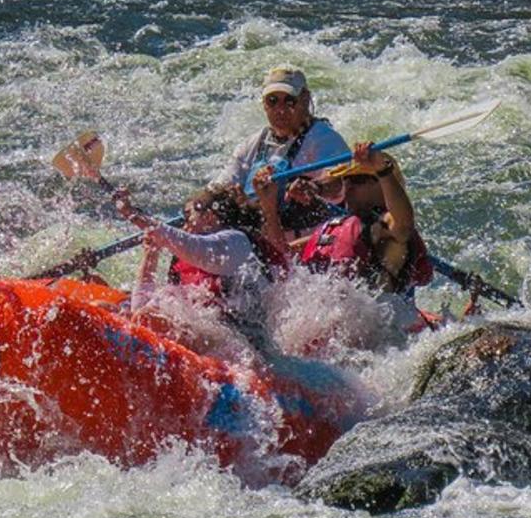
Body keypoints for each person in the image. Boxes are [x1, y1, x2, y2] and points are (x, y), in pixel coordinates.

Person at [254, 142, 434, 328]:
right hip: (331, 330)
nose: (348, 187)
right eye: (345, 181)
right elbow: (282, 255)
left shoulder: (388, 228)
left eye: (358, 181)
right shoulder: (339, 228)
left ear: (383, 186)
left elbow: (403, 224)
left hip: (380, 332)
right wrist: (268, 207)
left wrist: (383, 170)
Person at [111, 183, 286, 343]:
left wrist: (132, 213)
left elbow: (191, 245)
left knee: (148, 319)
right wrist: (151, 255)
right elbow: (140, 308)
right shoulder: (185, 260)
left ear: (209, 218)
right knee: (116, 310)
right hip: (204, 337)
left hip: (243, 344)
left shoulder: (237, 243)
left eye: (188, 216)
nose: (184, 226)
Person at [214, 66, 350, 234]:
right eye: (272, 101)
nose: (280, 109)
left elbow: (339, 182)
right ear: (264, 104)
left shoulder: (325, 139)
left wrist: (315, 188)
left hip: (301, 243)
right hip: (259, 236)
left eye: (289, 101)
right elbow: (217, 187)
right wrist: (204, 201)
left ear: (305, 99)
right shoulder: (251, 145)